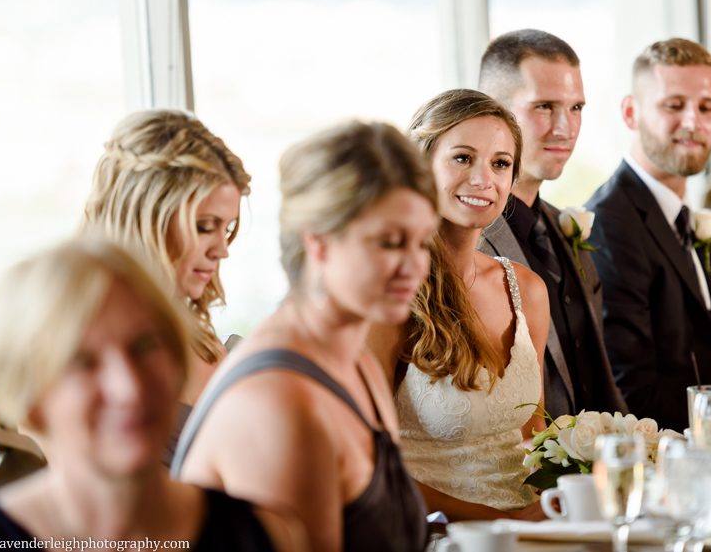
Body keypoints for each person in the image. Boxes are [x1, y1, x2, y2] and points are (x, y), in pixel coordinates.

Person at [172, 121, 438, 552]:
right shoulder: (281, 404)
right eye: (389, 242)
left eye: (423, 243)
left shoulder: (359, 362)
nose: (413, 266)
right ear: (319, 243)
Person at [0, 239, 304, 551]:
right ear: (32, 405)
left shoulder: (265, 536)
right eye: (83, 362)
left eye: (144, 346)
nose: (129, 387)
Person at [368, 88, 549, 521]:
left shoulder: (526, 288)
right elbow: (369, 466)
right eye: (463, 158)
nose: (483, 179)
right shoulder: (389, 293)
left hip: (535, 529)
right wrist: (503, 525)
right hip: (441, 535)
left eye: (500, 163)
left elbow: (534, 432)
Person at [585, 38, 711, 432]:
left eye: (706, 107)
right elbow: (631, 387)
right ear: (631, 112)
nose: (693, 122)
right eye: (673, 106)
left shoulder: (683, 215)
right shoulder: (610, 223)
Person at [83, 109, 250, 461]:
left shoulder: (195, 330)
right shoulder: (84, 350)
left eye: (228, 228)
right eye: (206, 226)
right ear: (147, 217)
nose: (222, 249)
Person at [477, 29, 627, 419]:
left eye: (576, 108)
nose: (565, 128)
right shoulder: (469, 244)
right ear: (494, 112)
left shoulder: (564, 225)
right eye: (545, 106)